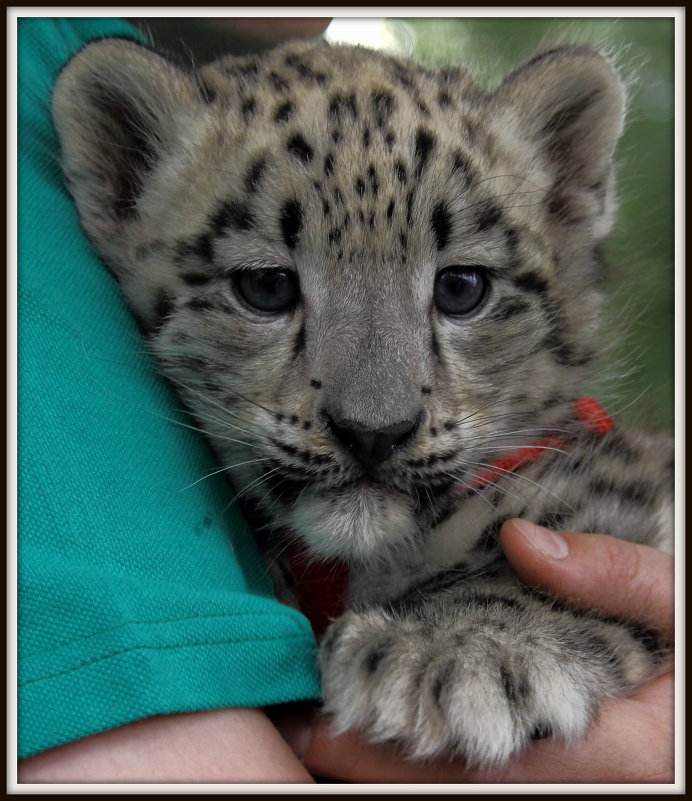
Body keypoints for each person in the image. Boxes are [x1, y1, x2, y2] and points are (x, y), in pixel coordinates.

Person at [16, 15, 674, 784]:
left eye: (461, 289)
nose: (376, 409)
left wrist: (509, 627)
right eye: (266, 285)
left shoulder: (593, 496)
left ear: (566, 199)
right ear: (126, 189)